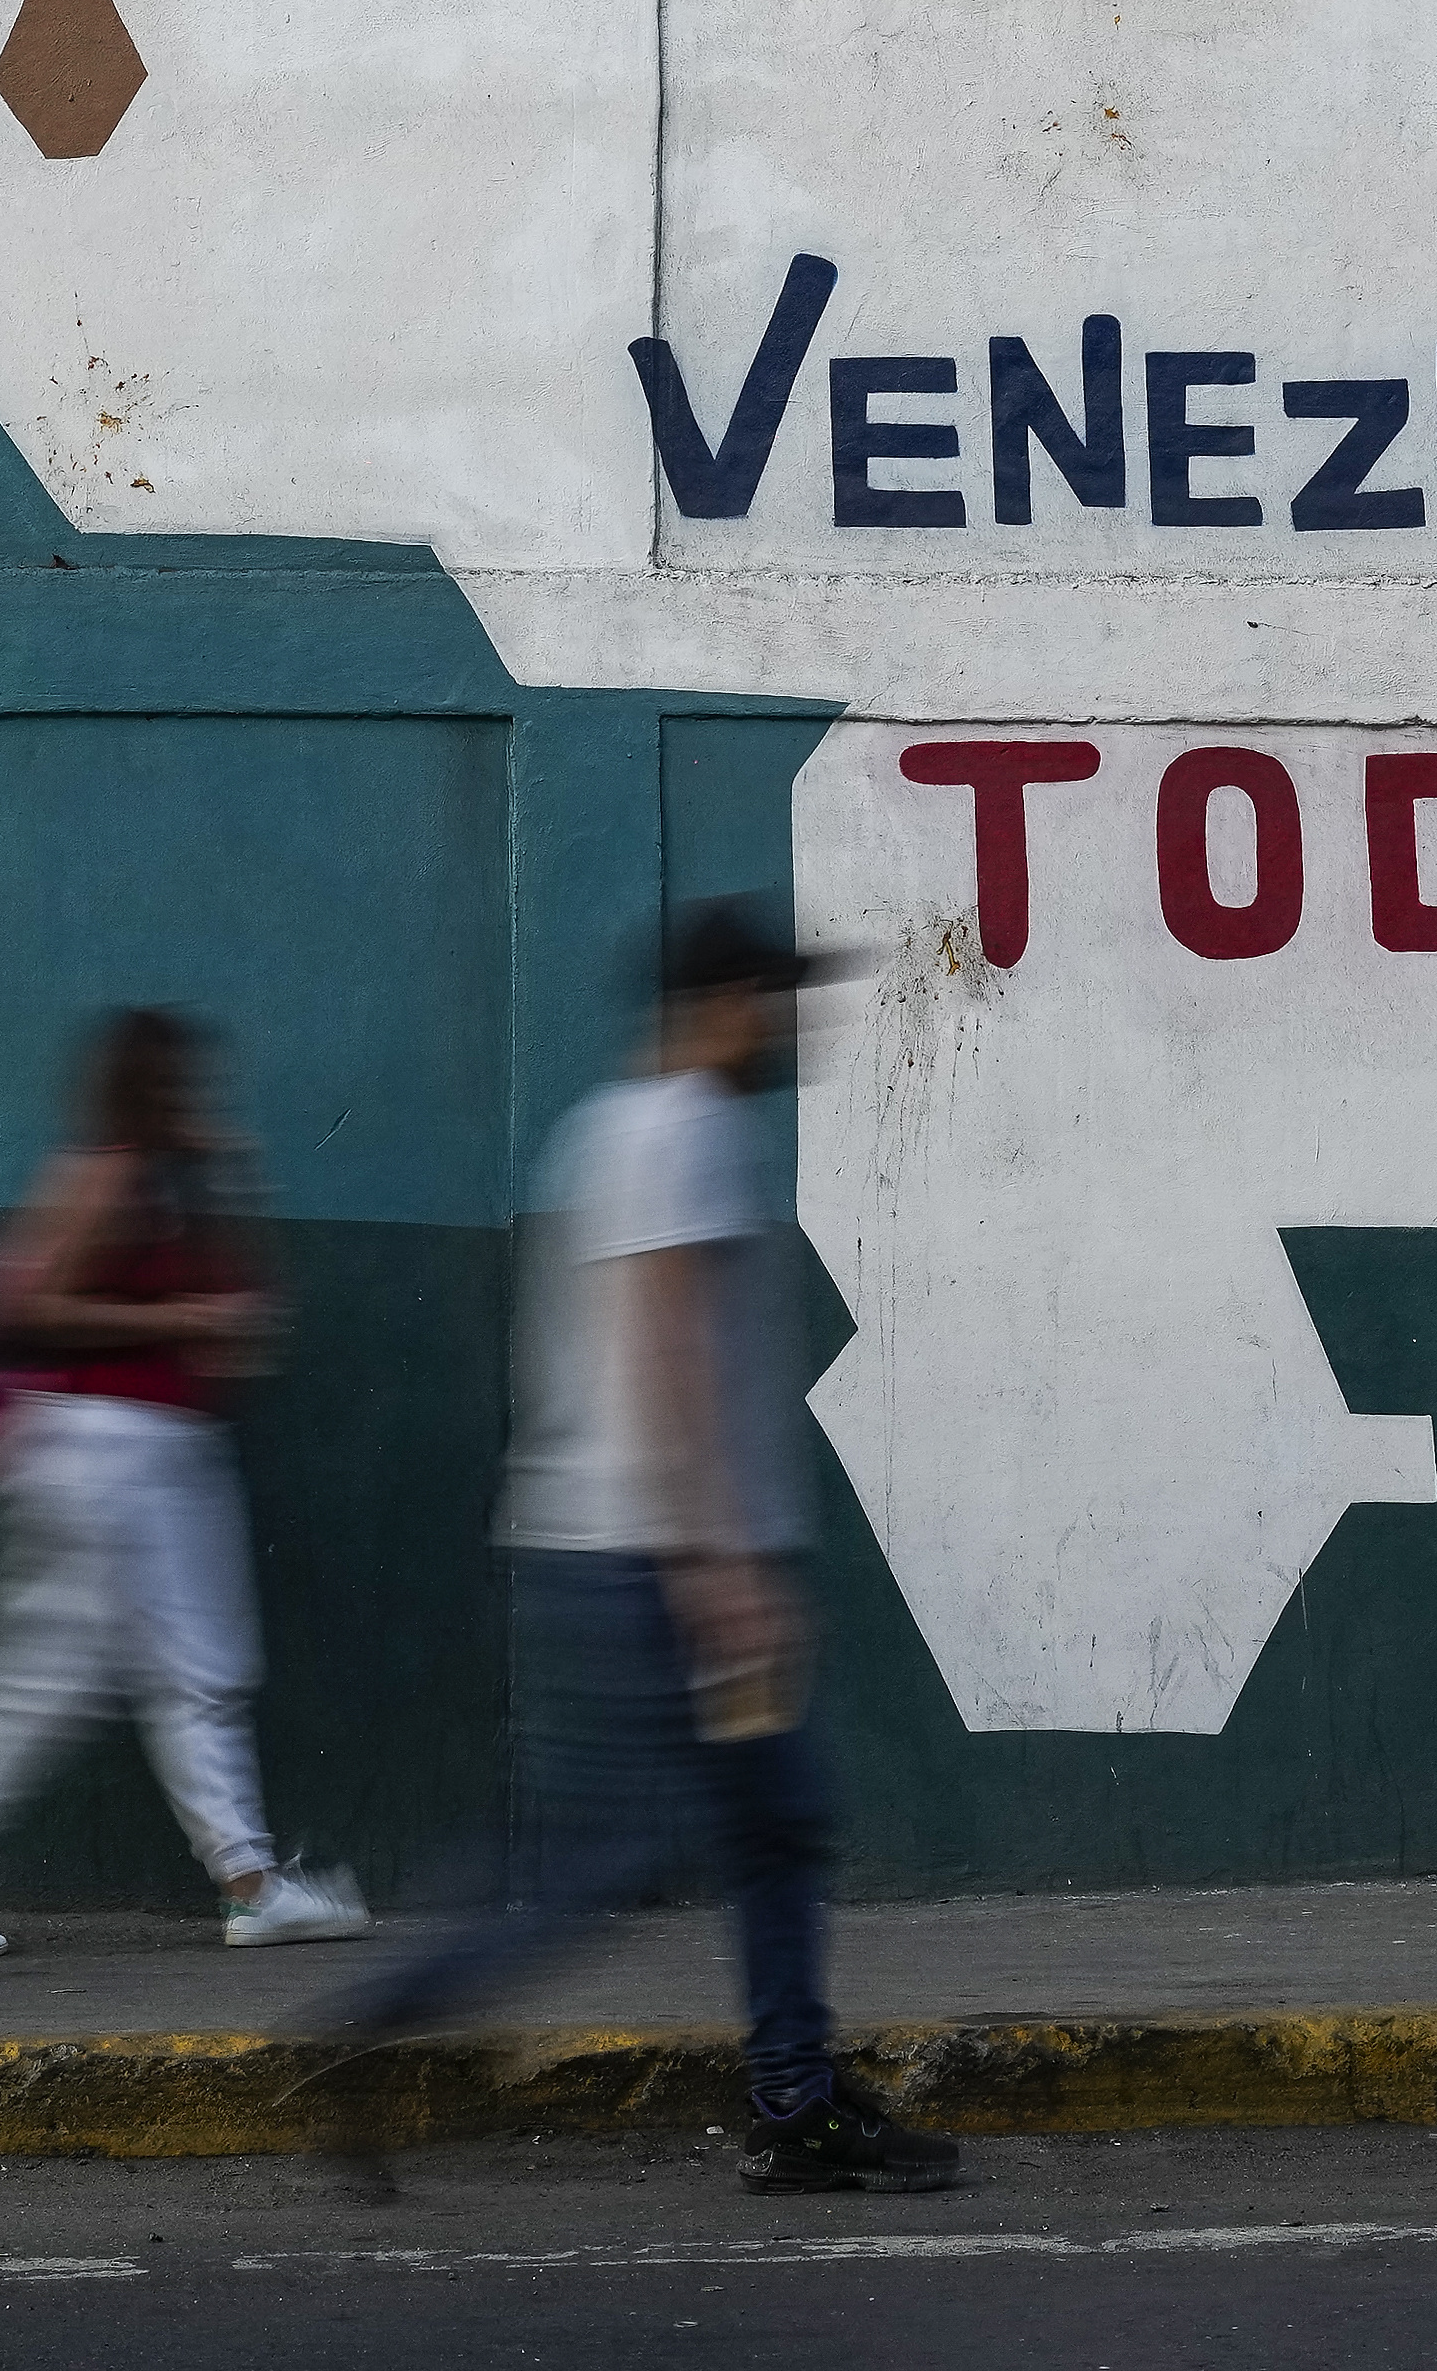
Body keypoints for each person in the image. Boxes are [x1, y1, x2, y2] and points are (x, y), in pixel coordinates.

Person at [318, 899, 959, 2198]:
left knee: (764, 1827)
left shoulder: (606, 1130)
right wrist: (721, 1569)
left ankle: (796, 2100)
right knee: (622, 1856)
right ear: (722, 1006)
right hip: (661, 1564)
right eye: (776, 999)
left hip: (602, 1550)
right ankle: (392, 2018)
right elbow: (667, 1352)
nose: (794, 1022)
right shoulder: (695, 1134)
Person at [0, 1008, 366, 1956]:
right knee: (183, 1668)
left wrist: (234, 1177)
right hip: (109, 1450)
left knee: (66, 1674)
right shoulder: (108, 1170)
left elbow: (253, 1313)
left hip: (142, 1454)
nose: (198, 1098)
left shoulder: (169, 1180)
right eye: (179, 1081)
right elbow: (29, 1305)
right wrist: (181, 1320)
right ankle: (249, 1885)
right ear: (144, 1086)